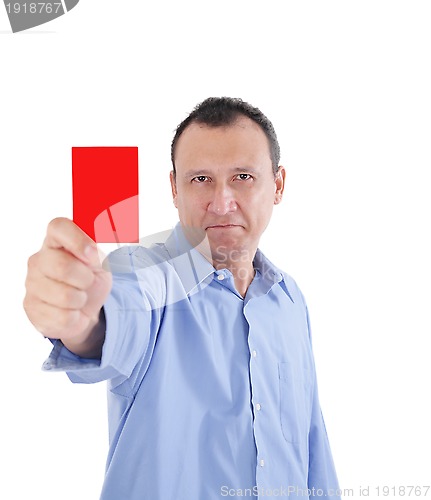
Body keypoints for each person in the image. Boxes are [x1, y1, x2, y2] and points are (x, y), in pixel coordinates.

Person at [23, 97, 341, 499]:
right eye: (200, 179)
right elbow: (114, 313)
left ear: (277, 185)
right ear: (174, 188)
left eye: (242, 177)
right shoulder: (144, 271)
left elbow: (312, 439)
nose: (222, 202)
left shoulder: (290, 298)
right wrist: (80, 318)